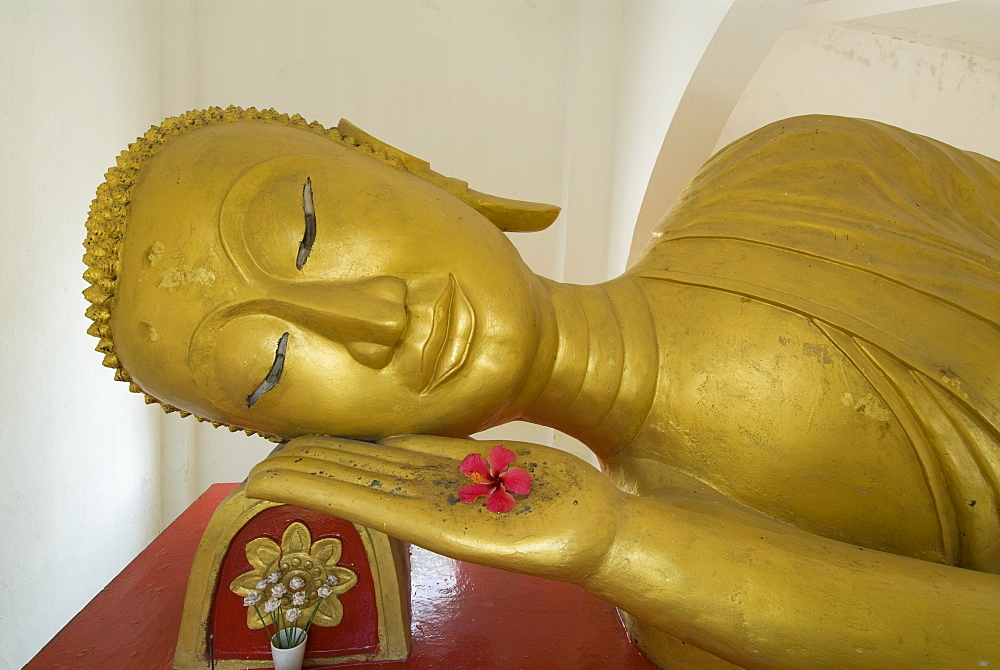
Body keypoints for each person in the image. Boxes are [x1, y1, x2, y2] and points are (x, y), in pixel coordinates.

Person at [84, 107, 1000, 669]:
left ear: (411, 168)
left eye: (306, 229)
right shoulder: (689, 597)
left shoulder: (801, 172)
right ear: (324, 440)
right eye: (274, 366)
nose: (370, 318)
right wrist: (613, 543)